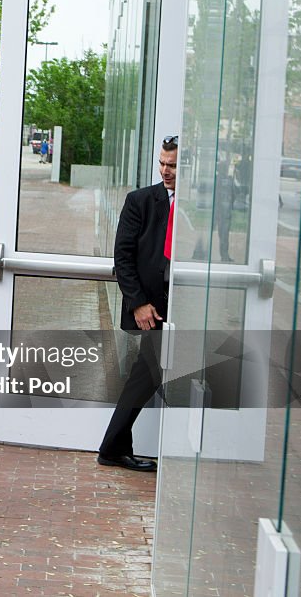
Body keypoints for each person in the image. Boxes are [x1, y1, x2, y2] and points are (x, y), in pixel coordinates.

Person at [97, 135, 178, 473]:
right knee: (148, 373)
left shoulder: (204, 205)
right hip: (152, 309)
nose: (165, 170)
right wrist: (138, 304)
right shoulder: (140, 201)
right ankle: (113, 448)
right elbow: (123, 258)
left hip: (186, 305)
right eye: (161, 163)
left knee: (150, 374)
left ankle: (116, 447)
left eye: (172, 165)